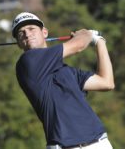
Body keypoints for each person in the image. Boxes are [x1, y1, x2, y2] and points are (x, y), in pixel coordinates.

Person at [12, 12, 114, 149]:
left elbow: (106, 82)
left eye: (31, 29)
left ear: (45, 33)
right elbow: (78, 45)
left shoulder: (69, 72)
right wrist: (87, 34)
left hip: (99, 142)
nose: (27, 34)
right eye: (21, 33)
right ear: (19, 43)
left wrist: (99, 41)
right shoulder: (27, 62)